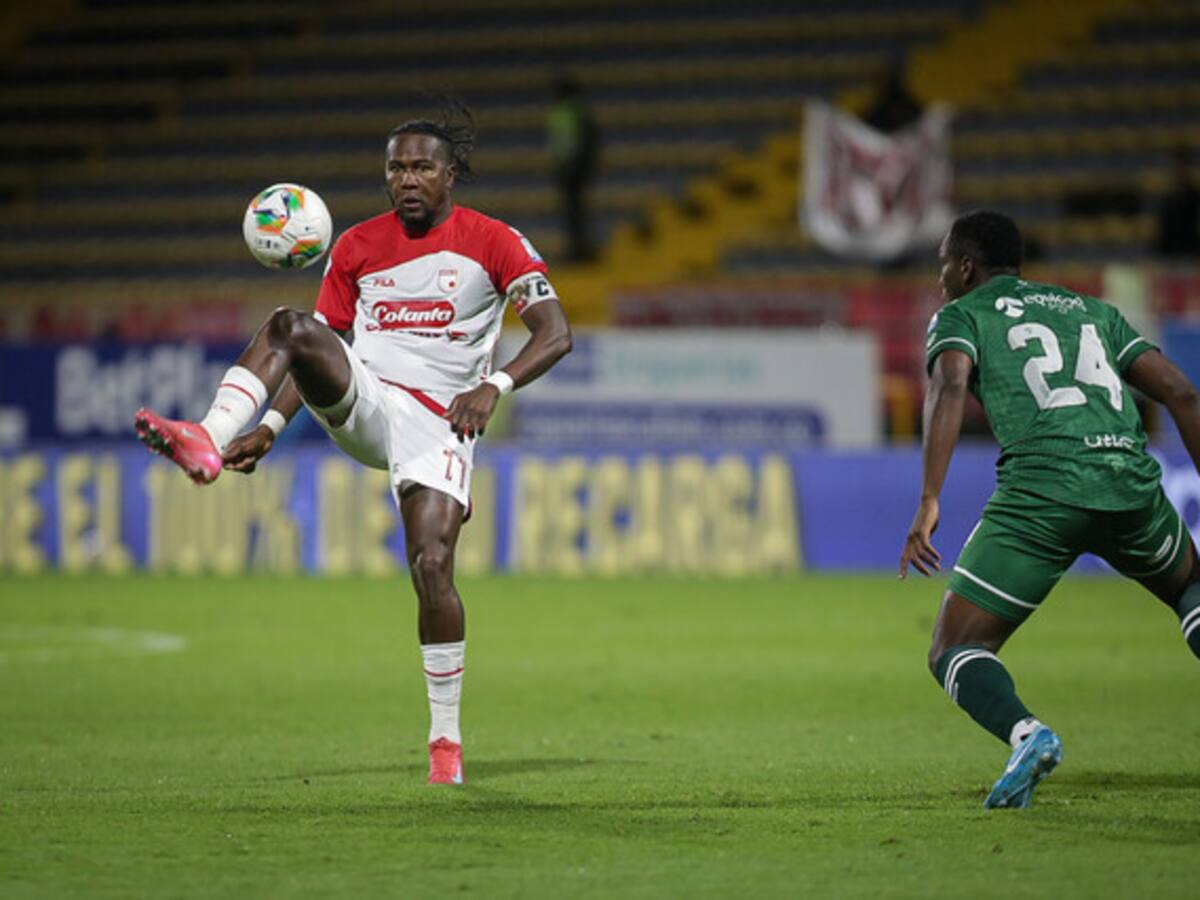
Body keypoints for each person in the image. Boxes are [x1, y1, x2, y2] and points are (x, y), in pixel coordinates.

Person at [133, 110, 573, 786]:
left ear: (449, 174)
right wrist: (271, 429)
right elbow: (319, 349)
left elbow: (555, 332)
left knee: (431, 565)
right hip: (368, 399)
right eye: (396, 168)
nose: (407, 180)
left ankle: (445, 745)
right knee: (289, 325)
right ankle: (209, 437)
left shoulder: (496, 242)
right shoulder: (357, 247)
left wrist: (496, 385)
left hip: (442, 421)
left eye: (422, 167)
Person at [899, 210, 1200, 808]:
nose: (939, 280)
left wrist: (930, 498)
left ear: (966, 267)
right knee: (1192, 587)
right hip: (1129, 482)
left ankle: (1027, 736)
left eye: (942, 266)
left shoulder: (961, 315)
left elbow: (951, 385)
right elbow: (1180, 392)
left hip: (1041, 494)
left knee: (953, 647)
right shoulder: (1091, 311)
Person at [547, 74, 599, 262]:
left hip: (573, 167)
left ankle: (580, 250)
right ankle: (578, 248)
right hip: (572, 166)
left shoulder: (570, 111)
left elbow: (576, 142)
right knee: (574, 211)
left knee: (575, 211)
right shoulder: (574, 110)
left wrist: (573, 166)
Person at [1152, 145, 1200, 259]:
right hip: (1169, 254)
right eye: (1176, 167)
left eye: (1182, 167)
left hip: (1192, 253)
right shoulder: (1166, 197)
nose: (1178, 171)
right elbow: (1162, 230)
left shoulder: (1195, 196)